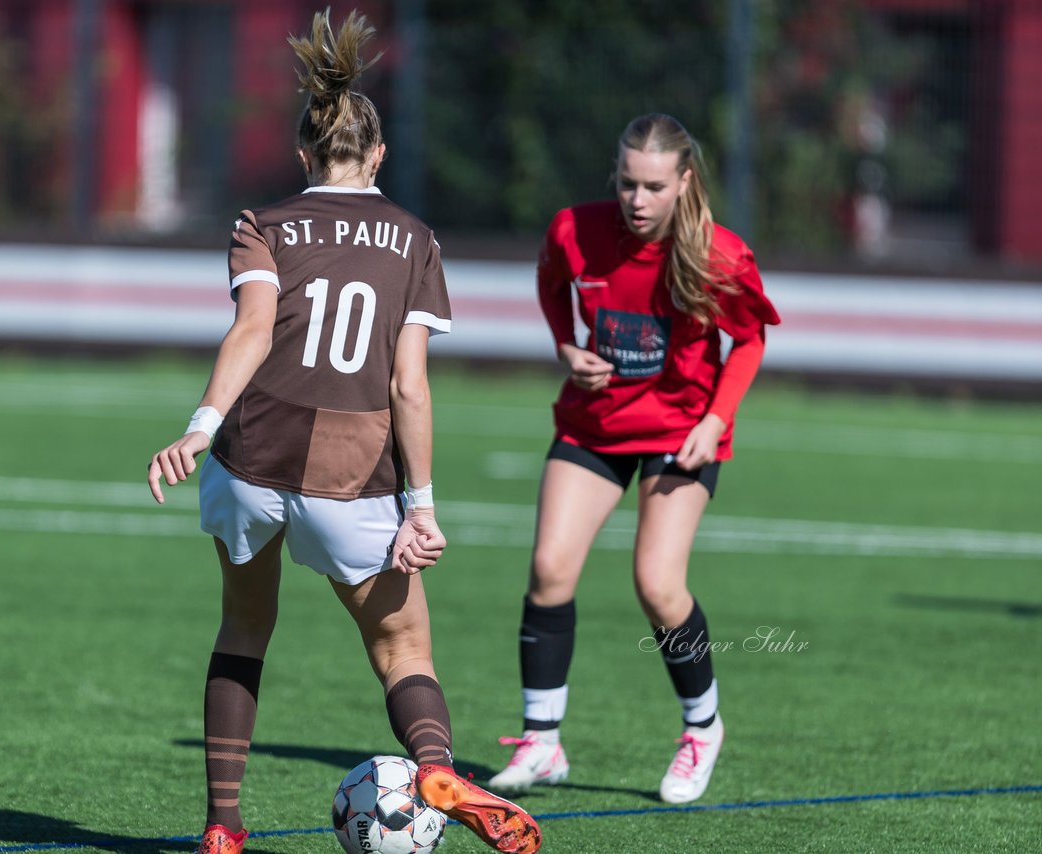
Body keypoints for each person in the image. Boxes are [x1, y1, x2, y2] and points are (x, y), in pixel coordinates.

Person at [146, 10, 541, 854]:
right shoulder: (414, 239)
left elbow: (251, 333)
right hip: (352, 475)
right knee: (402, 648)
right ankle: (434, 765)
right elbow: (409, 384)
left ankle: (222, 826)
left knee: (243, 630)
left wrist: (197, 427)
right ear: (380, 156)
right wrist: (422, 507)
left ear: (303, 155)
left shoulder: (265, 222)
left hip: (250, 456)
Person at [488, 113, 781, 805]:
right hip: (593, 426)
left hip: (682, 433)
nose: (637, 201)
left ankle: (701, 729)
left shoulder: (720, 255)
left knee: (656, 585)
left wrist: (717, 418)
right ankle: (542, 742)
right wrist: (566, 346)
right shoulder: (574, 229)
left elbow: (750, 342)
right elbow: (550, 280)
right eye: (626, 184)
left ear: (685, 182)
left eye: (653, 186)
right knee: (549, 568)